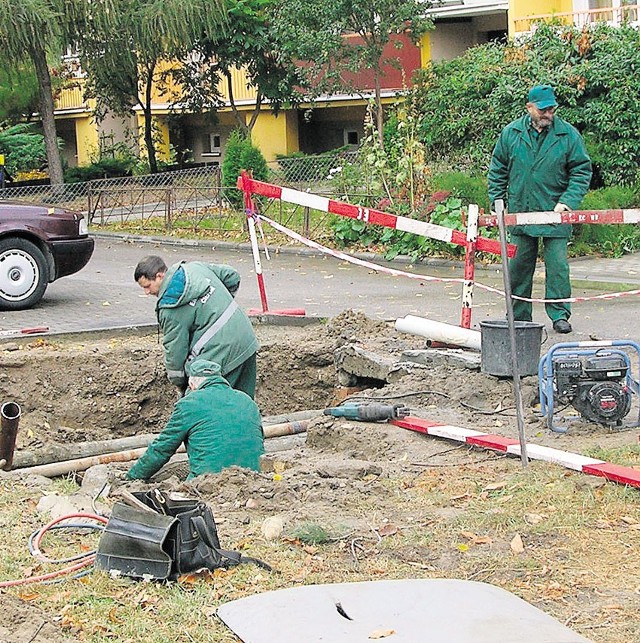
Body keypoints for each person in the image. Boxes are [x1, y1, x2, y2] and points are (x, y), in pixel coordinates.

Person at [488, 84, 592, 334]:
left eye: (552, 109)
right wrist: (496, 201)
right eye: (543, 109)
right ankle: (518, 315)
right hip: (521, 212)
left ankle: (559, 315)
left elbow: (581, 170)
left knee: (557, 267)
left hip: (556, 213)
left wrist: (567, 202)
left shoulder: (568, 135)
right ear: (529, 108)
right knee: (519, 268)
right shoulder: (511, 133)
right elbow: (498, 169)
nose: (548, 114)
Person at [134, 255, 259, 397]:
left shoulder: (170, 307)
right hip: (246, 338)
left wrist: (181, 384)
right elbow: (232, 276)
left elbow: (175, 353)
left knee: (202, 408)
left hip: (221, 352)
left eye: (147, 286)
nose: (146, 292)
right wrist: (218, 305)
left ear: (159, 276)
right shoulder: (194, 268)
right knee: (244, 404)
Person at [126, 359, 264, 481]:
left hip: (209, 481)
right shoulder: (247, 401)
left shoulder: (189, 404)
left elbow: (162, 448)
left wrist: (132, 476)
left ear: (192, 384)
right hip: (253, 478)